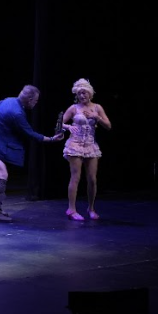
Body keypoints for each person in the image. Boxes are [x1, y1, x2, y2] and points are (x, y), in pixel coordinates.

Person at [0, 84, 65, 221]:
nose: (36, 103)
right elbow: (29, 133)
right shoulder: (17, 113)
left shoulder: (10, 100)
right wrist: (51, 139)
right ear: (30, 100)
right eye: (35, 101)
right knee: (2, 174)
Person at [61, 78, 112, 220]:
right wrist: (68, 126)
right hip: (75, 144)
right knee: (75, 177)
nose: (82, 96)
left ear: (90, 93)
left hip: (90, 145)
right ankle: (71, 209)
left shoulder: (97, 108)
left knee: (92, 179)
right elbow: (59, 123)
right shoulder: (74, 108)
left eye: (84, 93)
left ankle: (91, 208)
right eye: (79, 93)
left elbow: (108, 126)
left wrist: (97, 117)